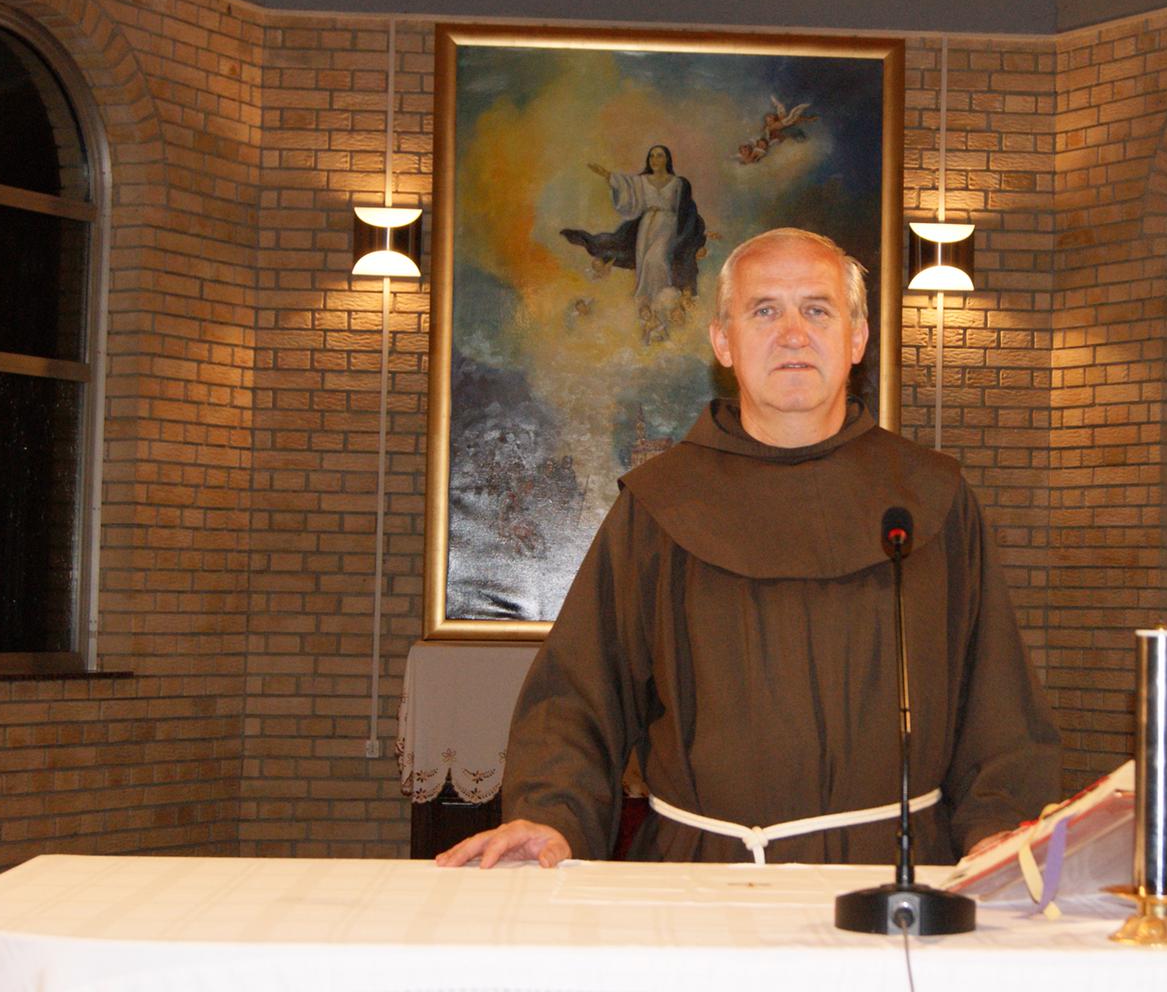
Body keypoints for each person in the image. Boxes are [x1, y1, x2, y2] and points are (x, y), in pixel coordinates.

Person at [439, 228, 1062, 870]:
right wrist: (551, 817)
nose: (793, 334)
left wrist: (997, 826)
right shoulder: (661, 504)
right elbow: (576, 696)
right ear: (723, 341)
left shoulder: (931, 497)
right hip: (702, 874)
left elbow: (997, 700)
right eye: (765, 310)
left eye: (817, 309)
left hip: (895, 872)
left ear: (857, 338)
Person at [559, 144, 707, 315]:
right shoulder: (643, 181)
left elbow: (687, 209)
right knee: (644, 261)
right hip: (646, 225)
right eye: (651, 156)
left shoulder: (678, 183)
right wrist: (607, 175)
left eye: (659, 155)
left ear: (667, 159)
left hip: (667, 224)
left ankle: (663, 298)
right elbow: (626, 187)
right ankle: (647, 303)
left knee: (655, 258)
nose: (654, 159)